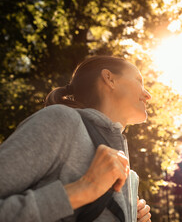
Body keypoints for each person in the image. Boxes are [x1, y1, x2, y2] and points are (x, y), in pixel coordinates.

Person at [0, 55, 152, 222]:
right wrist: (82, 190)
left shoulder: (129, 176)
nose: (148, 95)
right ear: (109, 79)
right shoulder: (60, 121)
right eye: (139, 81)